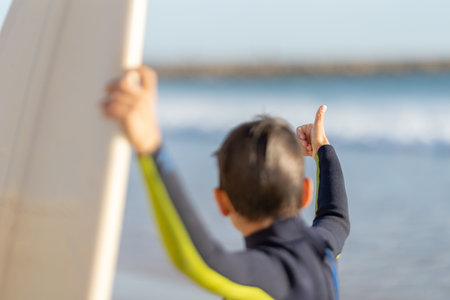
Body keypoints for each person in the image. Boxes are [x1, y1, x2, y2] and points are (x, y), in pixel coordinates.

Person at [103, 66, 350, 300]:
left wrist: (151, 148)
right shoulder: (324, 250)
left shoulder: (270, 275)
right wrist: (322, 150)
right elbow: (335, 214)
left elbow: (202, 260)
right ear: (305, 193)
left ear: (222, 202)